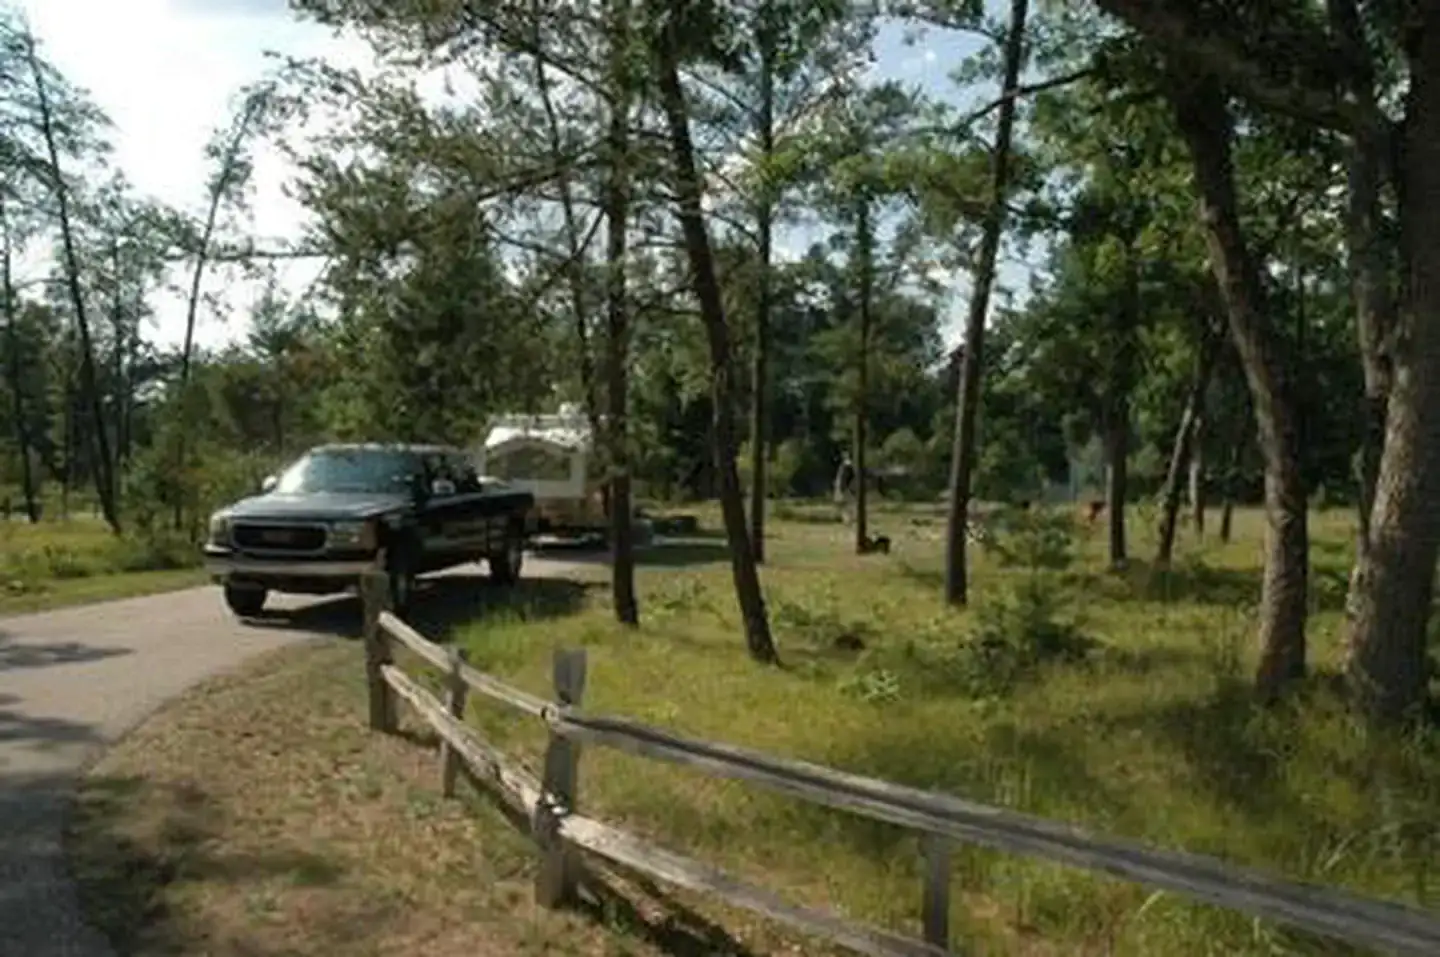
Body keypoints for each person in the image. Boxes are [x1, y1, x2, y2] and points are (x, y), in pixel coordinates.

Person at [834, 453, 857, 524]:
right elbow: (848, 478)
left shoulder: (843, 467)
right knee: (850, 504)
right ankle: (849, 519)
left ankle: (847, 519)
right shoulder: (847, 466)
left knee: (846, 505)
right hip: (844, 488)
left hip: (841, 487)